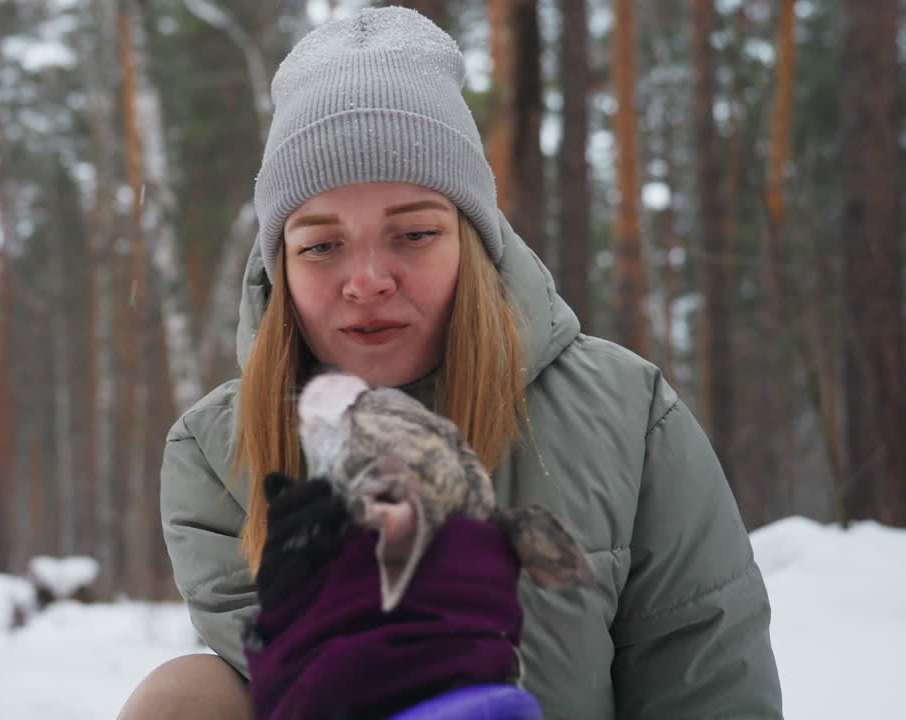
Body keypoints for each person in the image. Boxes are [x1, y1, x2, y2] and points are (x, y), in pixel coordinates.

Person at [117, 7, 782, 720]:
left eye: (413, 232)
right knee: (183, 695)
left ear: (472, 241)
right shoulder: (217, 449)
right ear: (280, 268)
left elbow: (708, 681)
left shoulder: (628, 414)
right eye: (320, 244)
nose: (368, 277)